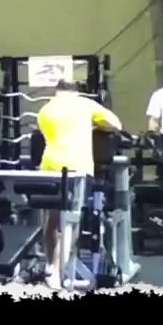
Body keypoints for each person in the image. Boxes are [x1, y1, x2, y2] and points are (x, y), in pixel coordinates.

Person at [35, 80, 124, 289]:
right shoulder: (86, 104)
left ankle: (50, 264)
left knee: (52, 219)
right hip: (77, 166)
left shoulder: (45, 109)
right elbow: (116, 125)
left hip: (50, 165)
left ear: (57, 91)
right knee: (71, 221)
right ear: (76, 92)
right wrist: (94, 126)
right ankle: (58, 271)